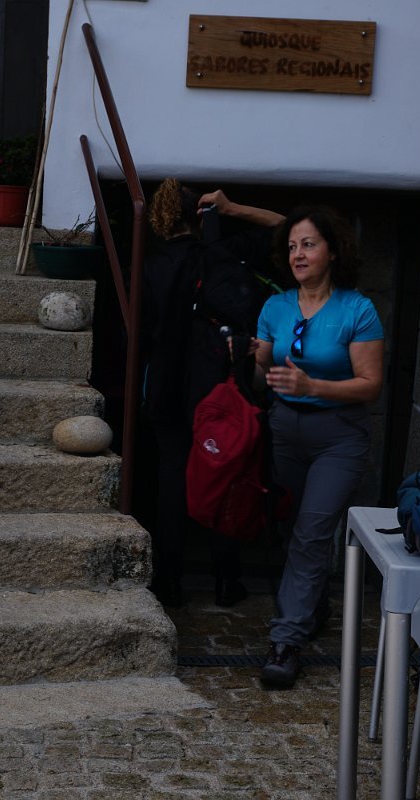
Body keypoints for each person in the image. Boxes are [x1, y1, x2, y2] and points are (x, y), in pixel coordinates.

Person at [251, 205, 385, 688]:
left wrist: (314, 387)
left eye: (308, 244)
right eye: (292, 246)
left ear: (333, 251)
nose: (298, 254)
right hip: (284, 429)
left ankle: (286, 642)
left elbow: (370, 386)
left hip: (340, 437)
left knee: (311, 532)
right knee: (291, 527)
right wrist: (252, 360)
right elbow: (262, 377)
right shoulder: (276, 307)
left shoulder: (358, 310)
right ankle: (313, 605)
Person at [141, 179, 282, 608]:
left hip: (163, 383)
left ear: (160, 222)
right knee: (223, 471)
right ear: (198, 217)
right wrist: (232, 208)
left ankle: (169, 581)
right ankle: (226, 580)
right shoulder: (221, 253)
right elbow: (289, 228)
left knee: (171, 478)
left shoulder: (148, 266)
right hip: (213, 385)